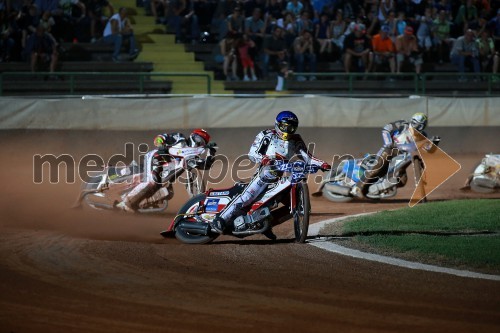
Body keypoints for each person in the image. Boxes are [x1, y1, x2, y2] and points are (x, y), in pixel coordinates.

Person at [210, 111, 331, 235]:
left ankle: (266, 224)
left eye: (292, 127)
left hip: (282, 176)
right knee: (247, 197)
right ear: (277, 124)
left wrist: (322, 164)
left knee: (285, 203)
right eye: (285, 127)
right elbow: (252, 153)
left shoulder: (296, 139)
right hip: (265, 173)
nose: (288, 130)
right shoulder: (266, 135)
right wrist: (264, 159)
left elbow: (308, 157)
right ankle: (220, 220)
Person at [117, 129, 212, 212]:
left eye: (202, 142)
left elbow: (205, 166)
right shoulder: (179, 138)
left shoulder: (194, 155)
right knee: (152, 181)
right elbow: (159, 138)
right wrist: (161, 145)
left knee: (167, 192)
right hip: (156, 158)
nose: (199, 143)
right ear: (193, 136)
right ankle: (125, 203)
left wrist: (211, 154)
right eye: (198, 139)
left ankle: (137, 204)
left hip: (166, 169)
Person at [351, 112, 431, 198]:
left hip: (404, 156)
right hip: (390, 150)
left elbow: (426, 150)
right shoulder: (402, 124)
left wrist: (431, 145)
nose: (418, 127)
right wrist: (389, 143)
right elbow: (386, 129)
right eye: (416, 124)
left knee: (402, 180)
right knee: (378, 168)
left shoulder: (423, 136)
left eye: (421, 126)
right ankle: (358, 188)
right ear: (412, 121)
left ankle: (380, 188)